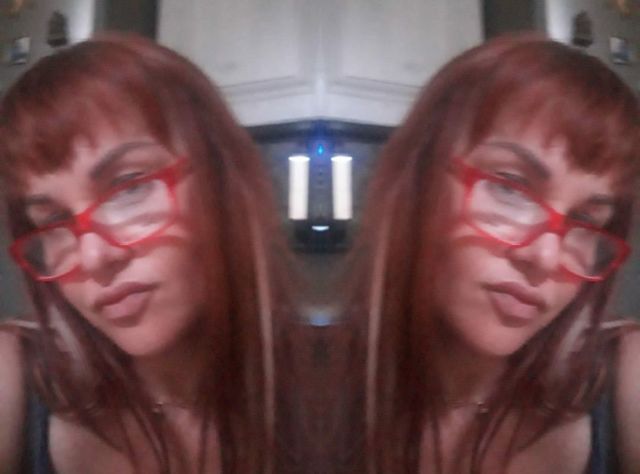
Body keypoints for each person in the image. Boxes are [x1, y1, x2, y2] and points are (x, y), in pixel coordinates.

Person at [0, 33, 292, 473]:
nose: (94, 258)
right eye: (53, 221)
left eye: (129, 187)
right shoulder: (15, 375)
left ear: (224, 182)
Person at [352, 34, 640, 473]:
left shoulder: (624, 374)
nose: (545, 258)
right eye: (511, 188)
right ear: (415, 182)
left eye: (587, 221)